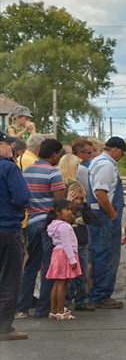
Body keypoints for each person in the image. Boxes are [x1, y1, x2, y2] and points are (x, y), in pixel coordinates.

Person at [16, 138, 65, 319]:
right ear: (54, 154)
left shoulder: (26, 172)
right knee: (48, 266)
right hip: (49, 224)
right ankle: (43, 309)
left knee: (31, 265)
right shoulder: (54, 172)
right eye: (59, 154)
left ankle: (22, 307)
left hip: (32, 222)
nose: (59, 157)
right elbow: (59, 203)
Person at [87, 136, 126, 309]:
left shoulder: (97, 161)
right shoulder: (107, 165)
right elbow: (101, 193)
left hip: (97, 215)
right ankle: (101, 295)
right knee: (106, 255)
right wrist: (113, 215)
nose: (122, 157)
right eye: (122, 153)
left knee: (99, 254)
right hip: (104, 217)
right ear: (116, 150)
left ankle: (96, 293)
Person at [0, 134, 30, 340]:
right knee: (10, 278)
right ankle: (4, 327)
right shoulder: (9, 168)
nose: (11, 148)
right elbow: (21, 197)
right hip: (7, 227)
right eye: (7, 144)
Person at [45, 200, 81, 320]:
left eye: (71, 210)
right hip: (65, 255)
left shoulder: (53, 225)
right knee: (62, 284)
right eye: (67, 209)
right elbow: (67, 244)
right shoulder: (64, 226)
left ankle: (53, 311)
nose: (70, 212)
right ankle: (60, 311)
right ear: (58, 212)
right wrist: (72, 260)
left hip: (57, 254)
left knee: (56, 284)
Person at [64, 181, 92, 311]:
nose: (79, 202)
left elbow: (91, 219)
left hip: (82, 244)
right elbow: (63, 217)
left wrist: (86, 204)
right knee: (70, 274)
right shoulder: (67, 209)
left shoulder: (83, 209)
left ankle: (81, 300)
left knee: (82, 274)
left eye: (81, 198)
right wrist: (68, 202)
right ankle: (67, 301)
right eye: (77, 198)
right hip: (70, 246)